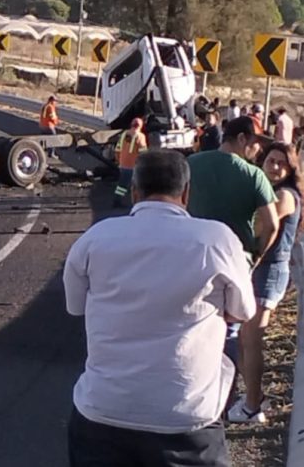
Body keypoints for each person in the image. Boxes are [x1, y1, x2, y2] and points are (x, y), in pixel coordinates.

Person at [64, 150, 255, 467]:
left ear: (135, 192)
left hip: (102, 413)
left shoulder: (95, 239)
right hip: (188, 421)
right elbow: (243, 311)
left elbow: (76, 306)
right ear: (186, 193)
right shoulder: (216, 240)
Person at [188, 116, 279, 368]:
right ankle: (223, 390)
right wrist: (257, 254)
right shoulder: (254, 176)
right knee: (229, 327)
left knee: (193, 322)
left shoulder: (191, 164)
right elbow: (272, 224)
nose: (258, 149)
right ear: (241, 139)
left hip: (192, 257)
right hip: (234, 261)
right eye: (255, 143)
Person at [228, 143, 303, 424]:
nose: (274, 167)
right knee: (247, 340)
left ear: (290, 168)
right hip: (261, 270)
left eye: (280, 163)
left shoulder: (284, 195)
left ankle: (252, 405)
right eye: (270, 161)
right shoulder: (271, 191)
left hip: (269, 271)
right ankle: (253, 397)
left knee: (252, 338)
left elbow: (261, 226)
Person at [112, 117, 146, 207]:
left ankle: (117, 200)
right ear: (140, 126)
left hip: (123, 164)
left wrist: (118, 161)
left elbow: (117, 149)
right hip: (133, 165)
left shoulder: (124, 134)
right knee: (137, 184)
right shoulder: (140, 136)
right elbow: (143, 153)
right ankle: (137, 202)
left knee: (122, 184)